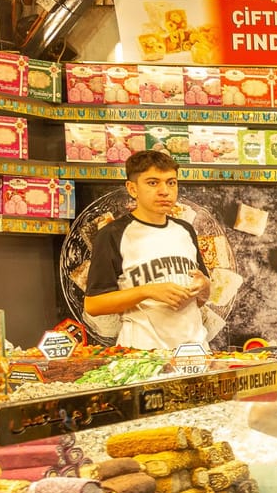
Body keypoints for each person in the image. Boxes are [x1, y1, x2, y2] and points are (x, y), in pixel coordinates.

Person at [83, 150, 211, 349]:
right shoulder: (113, 234)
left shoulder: (185, 230)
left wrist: (204, 287)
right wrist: (148, 291)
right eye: (153, 183)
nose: (164, 191)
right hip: (142, 354)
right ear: (132, 189)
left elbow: (201, 299)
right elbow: (93, 305)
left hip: (193, 351)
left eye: (171, 182)